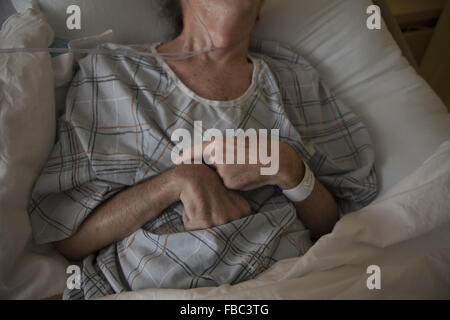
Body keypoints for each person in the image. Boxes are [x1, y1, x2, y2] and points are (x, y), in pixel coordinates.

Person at [30, 0, 377, 299]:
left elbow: (337, 225)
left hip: (286, 283)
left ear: (258, 12)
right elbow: (69, 236)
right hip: (154, 289)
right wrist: (177, 181)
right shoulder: (114, 73)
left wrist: (289, 168)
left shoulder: (294, 82)